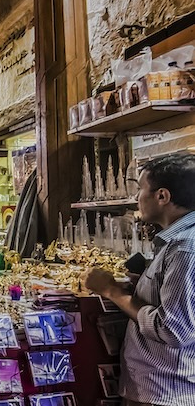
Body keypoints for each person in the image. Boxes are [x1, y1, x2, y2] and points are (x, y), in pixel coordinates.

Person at [81, 153, 195, 406]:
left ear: (162, 196)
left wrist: (112, 291)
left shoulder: (185, 247)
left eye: (140, 190)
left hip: (166, 391)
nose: (136, 199)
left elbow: (173, 330)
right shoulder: (176, 243)